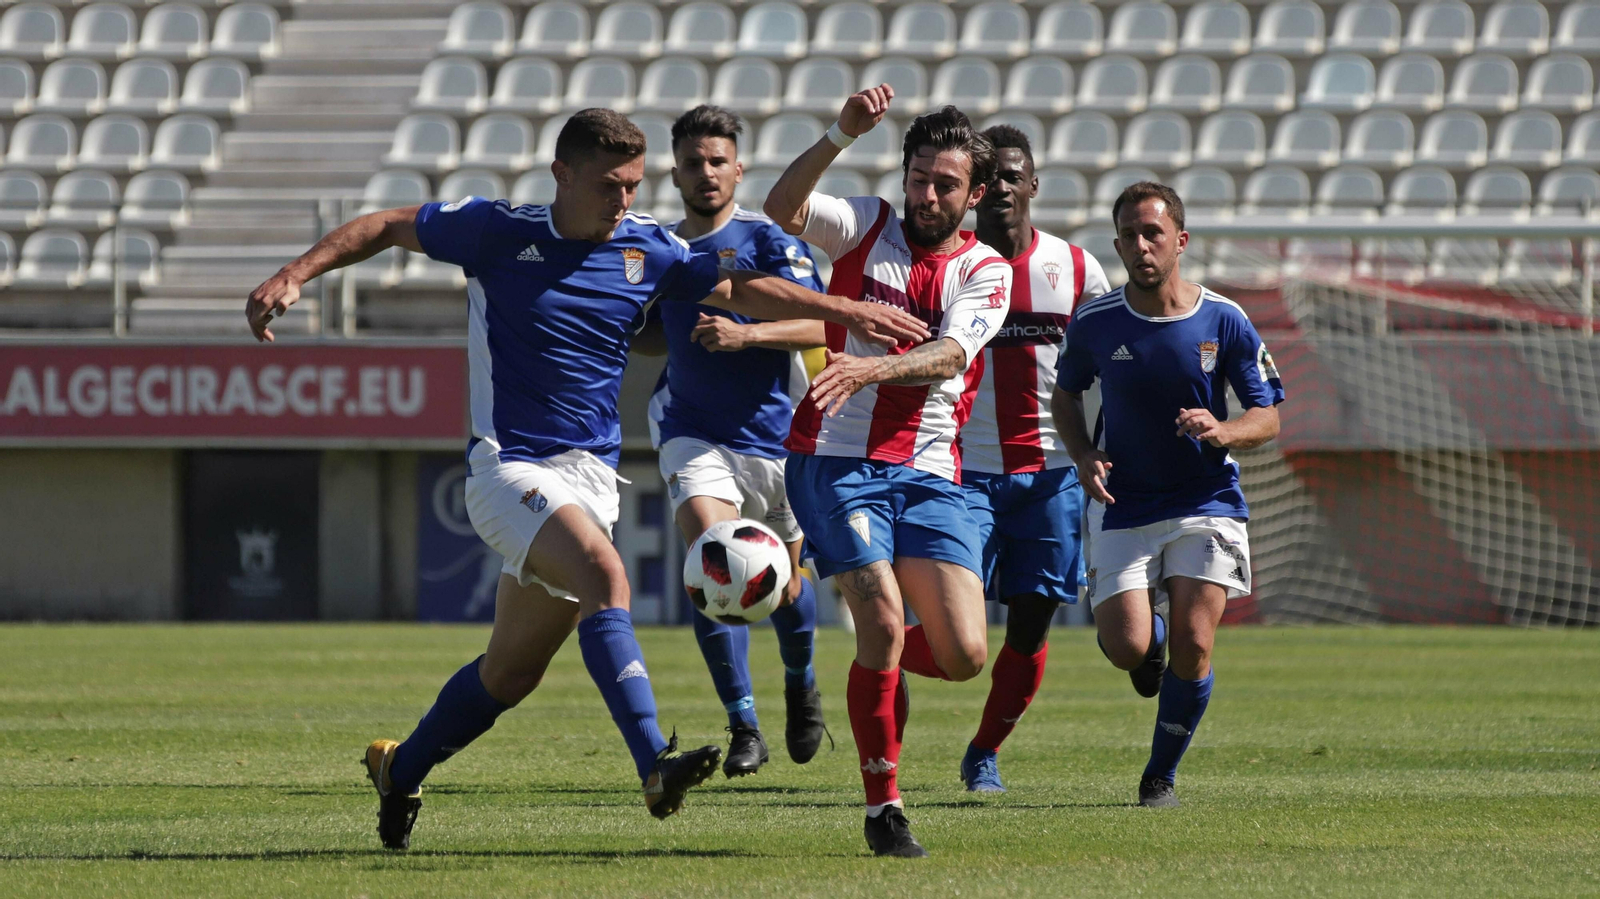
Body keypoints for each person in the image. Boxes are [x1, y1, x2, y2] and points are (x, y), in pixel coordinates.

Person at [243, 108, 929, 851]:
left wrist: (845, 308)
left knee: (509, 673)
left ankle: (399, 768)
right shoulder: (497, 232)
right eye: (609, 184)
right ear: (562, 175)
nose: (625, 200)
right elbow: (383, 226)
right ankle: (653, 765)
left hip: (589, 479)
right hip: (507, 466)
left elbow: (743, 288)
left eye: (634, 185)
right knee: (608, 576)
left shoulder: (648, 248)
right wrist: (293, 273)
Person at [763, 89, 1011, 858]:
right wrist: (840, 134)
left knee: (968, 654)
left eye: (946, 185)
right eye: (919, 179)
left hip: (933, 469)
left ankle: (884, 661)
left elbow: (948, 358)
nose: (928, 196)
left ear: (973, 195)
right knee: (876, 618)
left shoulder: (985, 268)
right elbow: (780, 208)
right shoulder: (865, 223)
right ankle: (884, 809)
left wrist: (869, 368)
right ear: (903, 176)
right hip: (835, 457)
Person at [1052, 181, 1284, 809]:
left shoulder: (1223, 318)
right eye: (1128, 234)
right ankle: (1146, 645)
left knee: (1196, 642)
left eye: (1152, 233)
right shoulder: (1096, 323)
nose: (1140, 245)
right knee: (1128, 646)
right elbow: (1066, 394)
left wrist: (1224, 428)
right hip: (1124, 503)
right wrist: (1081, 454)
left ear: (1179, 240)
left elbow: (1267, 415)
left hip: (1205, 500)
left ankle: (1161, 776)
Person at [641, 104, 829, 777]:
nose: (705, 173)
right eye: (693, 162)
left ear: (738, 168)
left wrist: (748, 332)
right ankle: (744, 723)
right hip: (694, 435)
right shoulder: (657, 248)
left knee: (786, 590)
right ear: (676, 171)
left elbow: (821, 327)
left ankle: (800, 682)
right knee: (711, 563)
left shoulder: (769, 240)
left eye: (717, 160)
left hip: (778, 443)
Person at [956, 125, 1111, 793]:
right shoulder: (950, 266)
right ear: (971, 192)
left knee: (1027, 628)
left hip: (1051, 476)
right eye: (988, 180)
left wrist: (1105, 451)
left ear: (1034, 185)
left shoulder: (1076, 269)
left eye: (1013, 177)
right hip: (961, 473)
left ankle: (984, 751)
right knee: (948, 634)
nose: (1002, 190)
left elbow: (1115, 366)